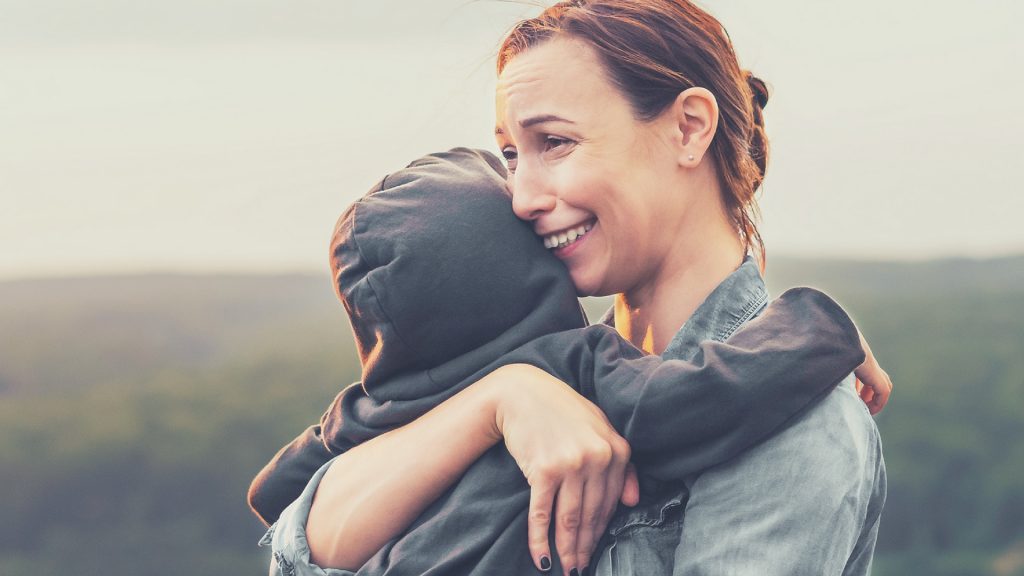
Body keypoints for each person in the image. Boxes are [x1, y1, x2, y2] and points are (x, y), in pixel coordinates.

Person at [254, 1, 890, 574]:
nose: (523, 197)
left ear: (690, 128)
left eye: (554, 143)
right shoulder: (527, 379)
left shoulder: (794, 418)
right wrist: (496, 402)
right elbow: (295, 540)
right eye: (509, 155)